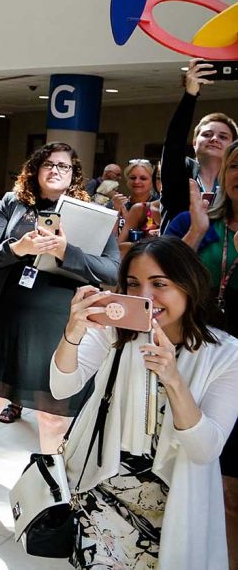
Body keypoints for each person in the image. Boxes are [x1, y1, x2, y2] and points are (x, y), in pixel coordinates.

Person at [0, 142, 120, 508]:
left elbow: (112, 270)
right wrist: (17, 249)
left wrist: (64, 251)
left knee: (52, 416)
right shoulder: (13, 204)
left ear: (74, 174)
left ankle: (54, 494)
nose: (56, 170)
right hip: (8, 316)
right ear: (35, 169)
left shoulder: (92, 214)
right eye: (49, 164)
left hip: (61, 325)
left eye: (65, 166)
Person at [55, 237, 238, 569]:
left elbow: (205, 450)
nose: (145, 297)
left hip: (175, 505)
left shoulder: (226, 354)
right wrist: (73, 331)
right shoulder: (115, 332)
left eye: (159, 284)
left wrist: (173, 378)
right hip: (101, 489)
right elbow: (61, 385)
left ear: (188, 285)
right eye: (134, 284)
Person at [167, 140, 238, 564]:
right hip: (202, 366)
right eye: (236, 165)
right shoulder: (193, 223)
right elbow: (157, 277)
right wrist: (194, 231)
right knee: (214, 483)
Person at [162, 59, 237, 226]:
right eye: (207, 134)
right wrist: (190, 95)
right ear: (195, 142)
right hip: (177, 249)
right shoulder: (181, 174)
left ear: (233, 146)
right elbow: (173, 143)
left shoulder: (234, 181)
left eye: (223, 137)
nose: (214, 139)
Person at [117, 159, 161, 250]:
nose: (137, 182)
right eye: (133, 178)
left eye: (143, 178)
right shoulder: (117, 204)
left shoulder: (159, 207)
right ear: (127, 180)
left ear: (152, 182)